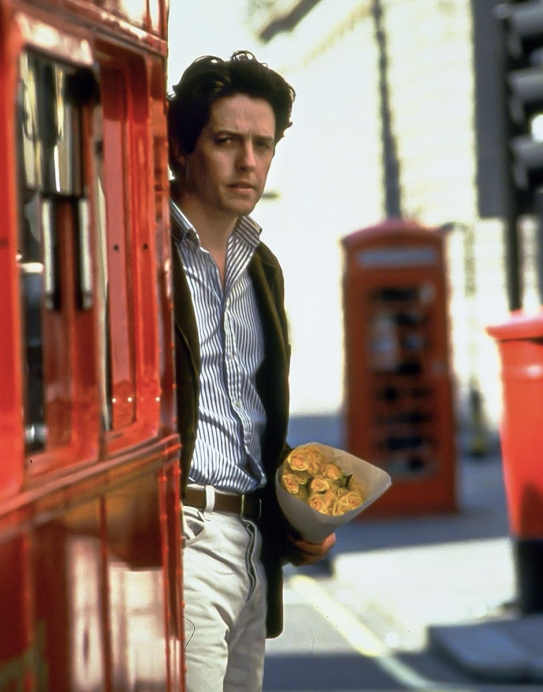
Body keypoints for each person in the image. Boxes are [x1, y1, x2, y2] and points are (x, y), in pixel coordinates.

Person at [168, 52, 335, 690]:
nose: (248, 162)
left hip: (253, 545)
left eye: (262, 145)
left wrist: (305, 514)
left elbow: (253, 416)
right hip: (183, 539)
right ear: (183, 148)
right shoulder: (145, 253)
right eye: (227, 141)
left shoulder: (262, 267)